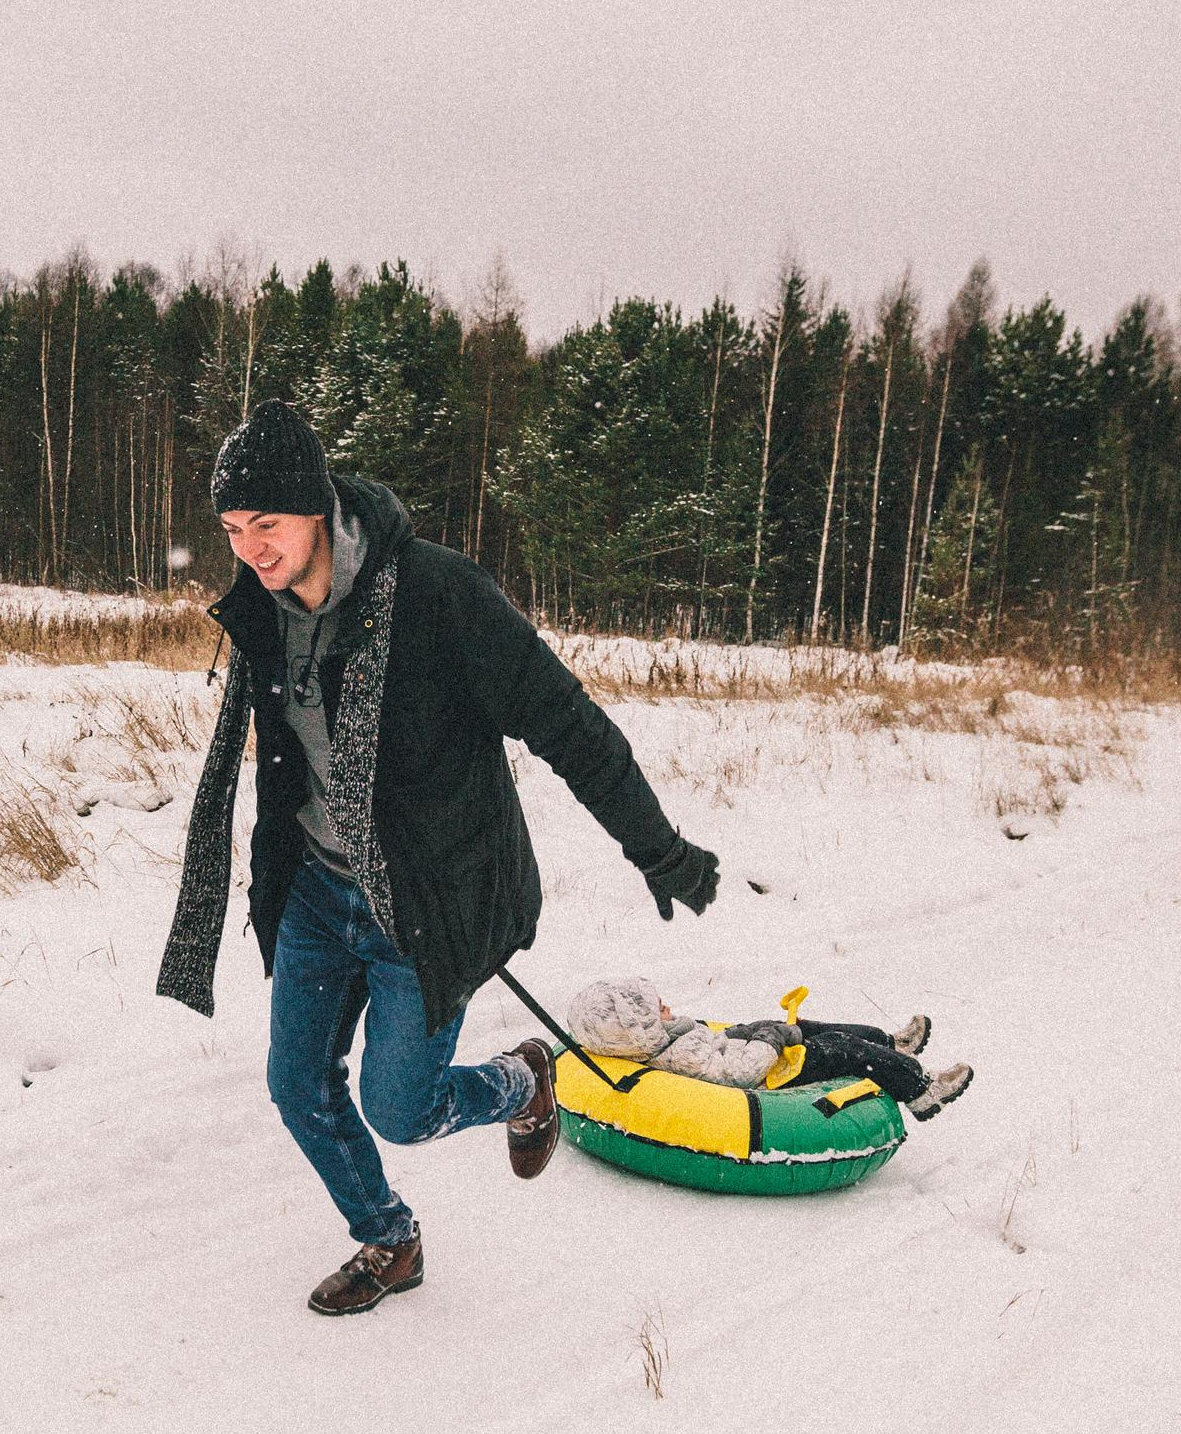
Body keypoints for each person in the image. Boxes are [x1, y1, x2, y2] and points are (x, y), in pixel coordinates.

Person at [157, 401, 721, 1316]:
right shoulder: (262, 614)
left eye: (266, 524)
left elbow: (566, 722)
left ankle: (523, 1079)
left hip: (423, 900)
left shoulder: (438, 596)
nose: (250, 549)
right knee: (295, 1082)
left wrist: (658, 848)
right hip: (314, 889)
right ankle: (389, 1239)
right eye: (230, 530)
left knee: (402, 1108)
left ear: (318, 506)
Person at [564, 977, 975, 1119]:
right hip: (769, 1080)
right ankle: (921, 1091)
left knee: (810, 1026)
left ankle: (894, 1043)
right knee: (841, 1048)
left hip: (756, 1057)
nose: (668, 1006)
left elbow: (714, 1039)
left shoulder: (666, 1039)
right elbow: (738, 1074)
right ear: (639, 1029)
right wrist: (771, 1040)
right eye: (659, 1009)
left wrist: (754, 1030)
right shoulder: (677, 1056)